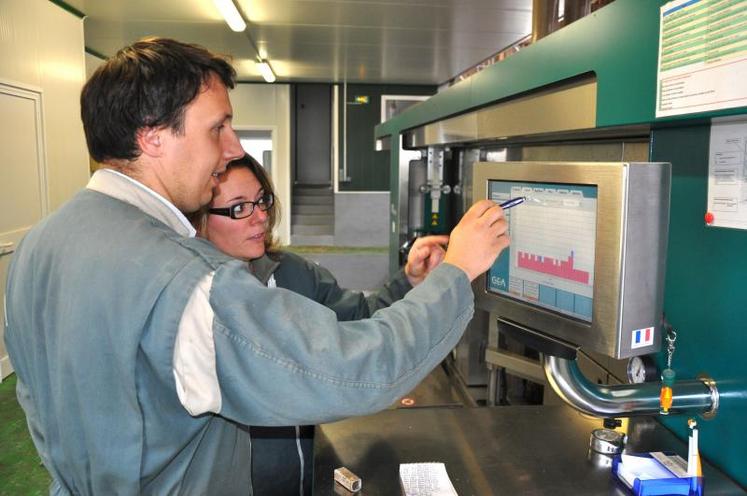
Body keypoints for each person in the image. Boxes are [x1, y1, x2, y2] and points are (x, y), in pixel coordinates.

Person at [3, 37, 509, 495]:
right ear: (152, 136)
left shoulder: (40, 246)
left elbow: (37, 403)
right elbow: (352, 371)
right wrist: (457, 271)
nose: (234, 148)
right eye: (217, 127)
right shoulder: (185, 279)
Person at [191, 153, 451, 495]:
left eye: (262, 201)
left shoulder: (294, 273)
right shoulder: (193, 302)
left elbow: (359, 318)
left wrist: (408, 280)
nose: (260, 217)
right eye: (239, 208)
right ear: (200, 222)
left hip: (300, 483)